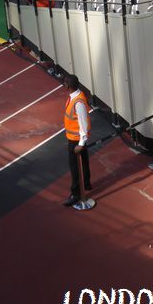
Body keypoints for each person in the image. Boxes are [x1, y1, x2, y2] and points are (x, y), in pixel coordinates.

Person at [62, 74, 92, 207]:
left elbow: (83, 123)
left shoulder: (78, 102)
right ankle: (86, 183)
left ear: (68, 86)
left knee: (74, 167)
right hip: (76, 138)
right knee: (84, 161)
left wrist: (81, 143)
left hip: (76, 140)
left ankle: (76, 193)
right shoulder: (76, 97)